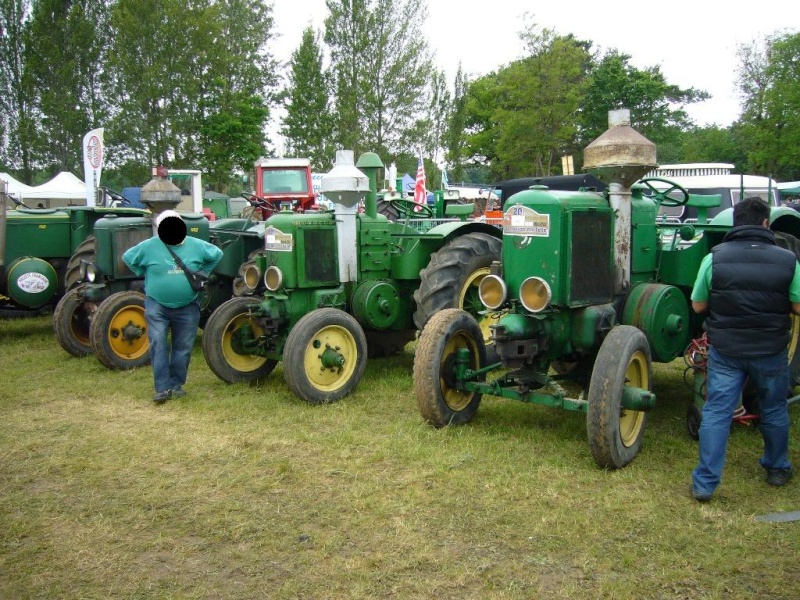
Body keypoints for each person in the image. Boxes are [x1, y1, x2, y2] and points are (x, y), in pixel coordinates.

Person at [690, 197, 800, 501]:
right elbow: (798, 305)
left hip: (727, 351)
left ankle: (705, 483)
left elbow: (698, 305)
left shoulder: (714, 258)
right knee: (774, 408)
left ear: (735, 222)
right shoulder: (788, 260)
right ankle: (777, 468)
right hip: (771, 351)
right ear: (766, 223)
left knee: (716, 412)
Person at [123, 210, 223, 404]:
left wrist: (203, 273)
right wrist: (143, 271)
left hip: (187, 306)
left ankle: (176, 385)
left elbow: (217, 254)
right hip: (157, 305)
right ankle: (162, 388)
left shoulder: (196, 245)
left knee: (183, 348)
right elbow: (129, 257)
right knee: (158, 342)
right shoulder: (149, 246)